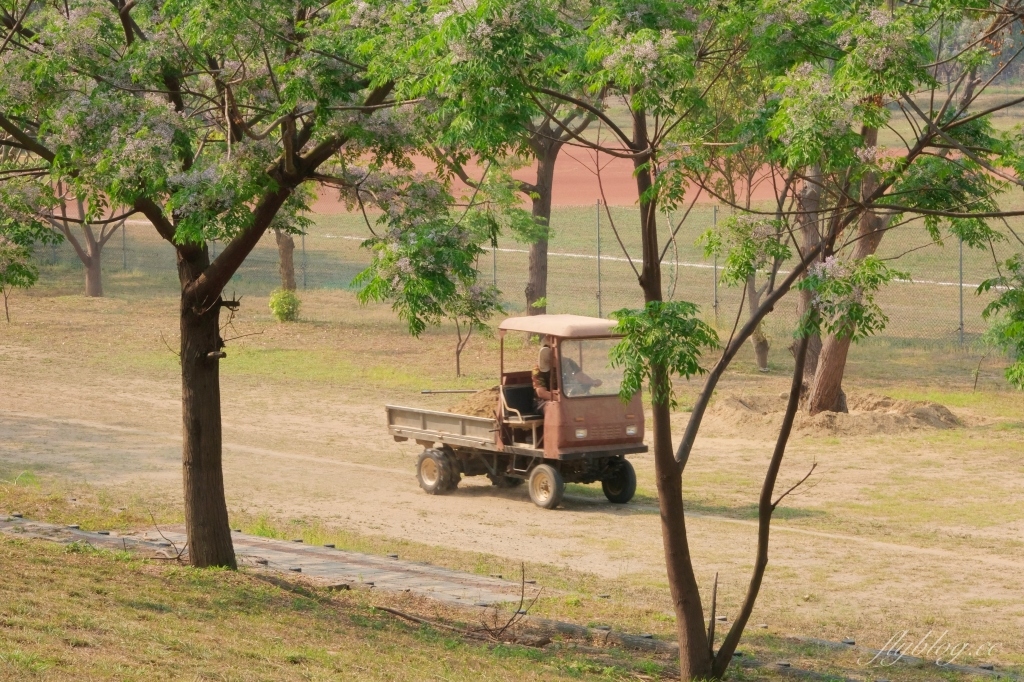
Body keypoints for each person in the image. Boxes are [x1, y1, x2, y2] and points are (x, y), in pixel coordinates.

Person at [531, 343, 553, 410]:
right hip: (542, 402)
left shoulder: (567, 363)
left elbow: (581, 377)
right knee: (555, 407)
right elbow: (542, 393)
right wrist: (560, 398)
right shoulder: (538, 369)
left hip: (567, 398)